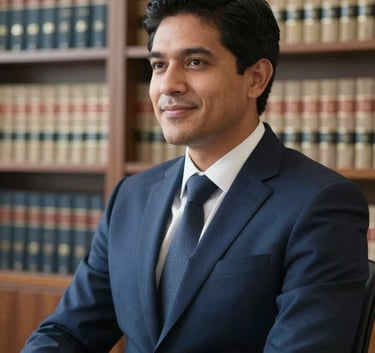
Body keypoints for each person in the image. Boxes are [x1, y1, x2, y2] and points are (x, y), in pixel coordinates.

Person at [21, 0, 369, 352]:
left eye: (195, 62)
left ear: (255, 78)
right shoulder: (131, 195)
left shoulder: (320, 204)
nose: (168, 85)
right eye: (159, 65)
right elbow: (68, 333)